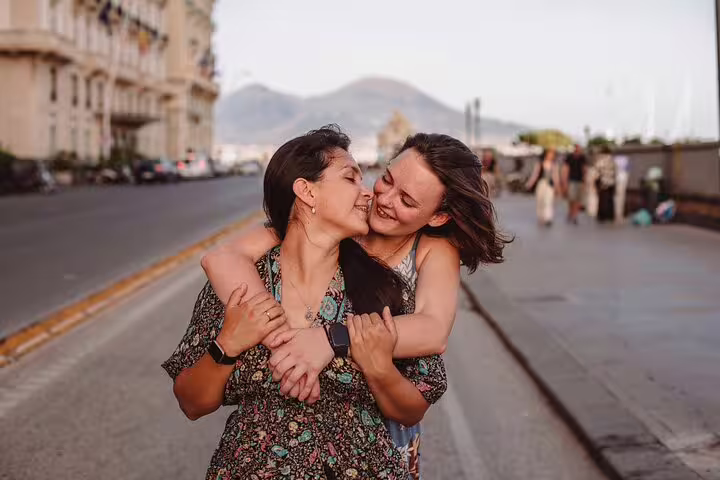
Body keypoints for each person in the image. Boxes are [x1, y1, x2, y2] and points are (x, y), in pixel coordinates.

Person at [202, 132, 511, 479]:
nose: (384, 199)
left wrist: (329, 339)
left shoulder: (431, 249)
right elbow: (223, 257)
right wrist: (283, 339)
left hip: (385, 436)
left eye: (407, 201)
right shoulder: (336, 220)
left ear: (437, 217)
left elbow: (433, 329)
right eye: (388, 179)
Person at [163, 126, 448, 479]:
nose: (368, 194)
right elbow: (191, 403)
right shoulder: (242, 284)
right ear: (306, 190)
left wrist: (379, 369)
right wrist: (227, 346)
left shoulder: (384, 288)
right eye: (350, 179)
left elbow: (412, 409)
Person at [525, 147, 561, 227]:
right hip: (541, 184)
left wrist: (557, 187)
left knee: (548, 202)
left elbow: (556, 177)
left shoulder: (554, 165)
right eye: (550, 153)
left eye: (552, 154)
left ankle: (548, 218)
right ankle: (541, 217)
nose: (551, 156)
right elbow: (535, 175)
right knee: (540, 201)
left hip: (549, 185)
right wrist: (529, 184)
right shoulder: (540, 163)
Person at [562, 144, 587, 224]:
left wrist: (585, 181)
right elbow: (566, 169)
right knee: (571, 198)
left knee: (578, 199)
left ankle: (575, 215)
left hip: (579, 180)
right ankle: (570, 212)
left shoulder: (582, 158)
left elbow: (584, 169)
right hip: (571, 180)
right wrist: (565, 181)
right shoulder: (569, 157)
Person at [594, 146, 617, 223]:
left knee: (602, 199)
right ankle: (610, 215)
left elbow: (597, 170)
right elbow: (615, 171)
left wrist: (596, 181)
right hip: (611, 181)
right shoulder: (612, 160)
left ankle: (602, 216)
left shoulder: (601, 160)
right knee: (610, 199)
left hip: (603, 181)